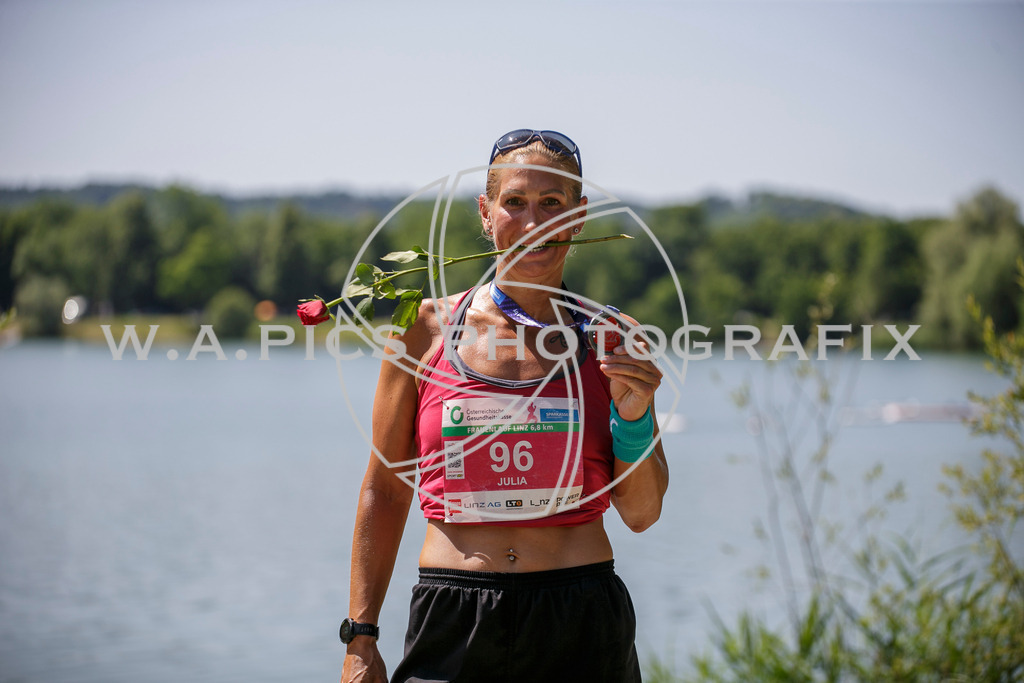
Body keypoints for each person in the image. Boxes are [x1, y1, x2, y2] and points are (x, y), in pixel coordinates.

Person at [341, 129, 669, 683]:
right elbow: (384, 488)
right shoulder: (422, 332)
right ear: (486, 213)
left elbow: (641, 515)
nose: (533, 223)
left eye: (553, 204)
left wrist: (632, 416)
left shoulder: (613, 338)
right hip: (454, 614)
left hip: (580, 614)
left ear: (579, 216)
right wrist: (360, 636)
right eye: (515, 202)